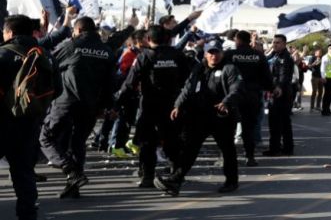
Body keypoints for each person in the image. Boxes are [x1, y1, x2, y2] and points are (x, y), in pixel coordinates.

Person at [39, 17, 116, 199]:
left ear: (79, 30)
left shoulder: (71, 46)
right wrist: (107, 106)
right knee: (78, 143)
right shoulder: (107, 51)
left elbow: (47, 63)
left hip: (66, 102)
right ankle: (74, 185)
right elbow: (110, 83)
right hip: (91, 105)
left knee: (45, 137)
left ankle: (71, 170)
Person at [153, 40, 242, 196]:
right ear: (205, 54)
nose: (213, 56)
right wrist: (178, 105)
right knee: (189, 149)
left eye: (217, 52)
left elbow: (236, 88)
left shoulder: (229, 68)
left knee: (227, 150)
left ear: (222, 53)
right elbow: (188, 87)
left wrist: (226, 102)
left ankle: (231, 181)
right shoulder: (199, 68)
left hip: (221, 117)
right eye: (210, 52)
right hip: (199, 116)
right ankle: (175, 180)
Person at [115, 25, 191, 187]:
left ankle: (147, 176)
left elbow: (130, 83)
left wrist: (116, 103)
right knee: (172, 140)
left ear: (148, 40)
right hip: (173, 105)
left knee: (148, 142)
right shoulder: (178, 55)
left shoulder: (144, 56)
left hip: (150, 105)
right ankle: (176, 173)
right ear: (168, 39)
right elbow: (188, 81)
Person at [0, 15, 44, 219]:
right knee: (24, 172)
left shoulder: (3, 54)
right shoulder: (44, 55)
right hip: (30, 122)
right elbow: (57, 89)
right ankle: (28, 214)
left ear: (10, 32)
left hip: (2, 122)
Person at [223, 30, 273, 167]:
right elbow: (267, 77)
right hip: (252, 96)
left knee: (227, 129)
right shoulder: (258, 56)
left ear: (237, 40)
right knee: (248, 128)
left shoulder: (229, 55)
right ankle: (249, 156)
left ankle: (227, 158)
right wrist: (272, 89)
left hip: (233, 96)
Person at [263, 34, 295, 156]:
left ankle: (275, 148)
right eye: (274, 42)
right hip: (276, 92)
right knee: (283, 122)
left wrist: (279, 88)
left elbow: (284, 76)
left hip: (281, 93)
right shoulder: (275, 55)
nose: (274, 44)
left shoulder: (285, 58)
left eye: (278, 43)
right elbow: (264, 60)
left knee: (276, 122)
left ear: (284, 44)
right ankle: (287, 147)